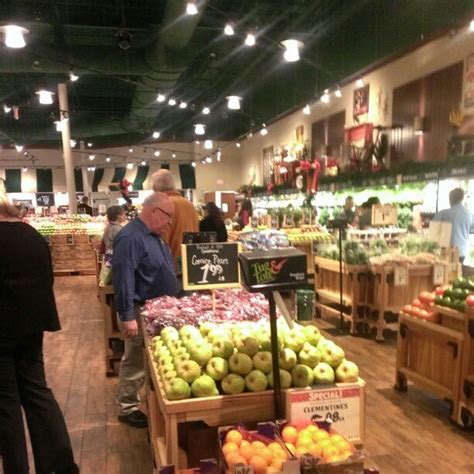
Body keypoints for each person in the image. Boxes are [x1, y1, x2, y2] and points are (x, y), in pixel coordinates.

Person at [0, 179, 78, 474]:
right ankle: (60, 466)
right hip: (31, 330)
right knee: (38, 394)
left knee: (6, 406)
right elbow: (47, 281)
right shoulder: (31, 235)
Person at [112, 192, 177, 428]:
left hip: (157, 309)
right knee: (136, 358)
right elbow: (123, 278)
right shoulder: (130, 237)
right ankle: (127, 406)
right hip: (141, 310)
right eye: (168, 216)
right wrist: (128, 316)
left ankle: (146, 399)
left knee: (148, 358)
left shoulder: (153, 235)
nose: (170, 222)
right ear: (153, 211)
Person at [151, 169, 199, 265]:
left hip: (170, 265)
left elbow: (160, 240)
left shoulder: (161, 205)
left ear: (155, 187)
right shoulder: (189, 205)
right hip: (192, 261)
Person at [432, 188, 473, 263]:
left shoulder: (443, 214)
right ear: (462, 198)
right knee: (458, 271)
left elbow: (433, 232)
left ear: (450, 199)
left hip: (446, 252)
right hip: (462, 251)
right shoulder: (469, 214)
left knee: (446, 272)